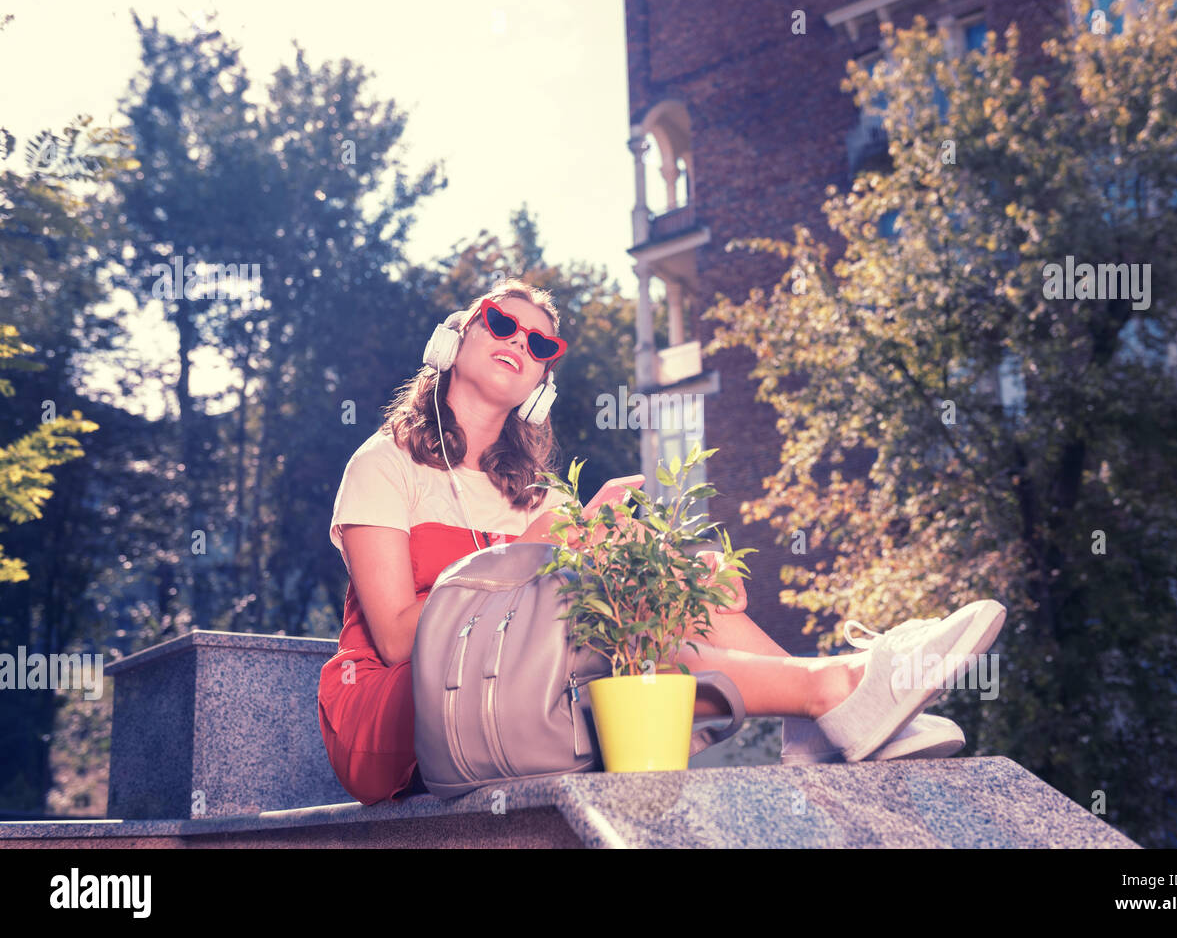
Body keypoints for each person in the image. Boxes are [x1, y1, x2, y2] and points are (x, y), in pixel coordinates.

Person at [318, 278, 1004, 806]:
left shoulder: (546, 497)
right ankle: (836, 688)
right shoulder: (384, 464)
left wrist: (683, 582)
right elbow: (399, 639)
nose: (520, 342)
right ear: (453, 340)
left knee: (636, 579)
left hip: (525, 696)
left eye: (541, 343)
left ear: (542, 382)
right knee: (591, 592)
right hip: (401, 717)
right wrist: (545, 544)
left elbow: (578, 590)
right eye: (502, 323)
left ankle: (823, 721)